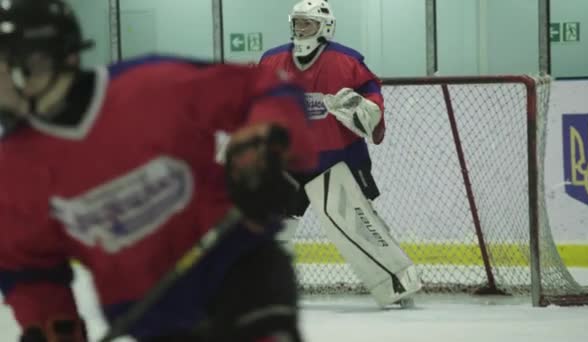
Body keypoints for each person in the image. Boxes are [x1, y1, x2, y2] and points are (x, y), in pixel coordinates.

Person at [0, 0, 317, 341]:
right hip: (152, 316)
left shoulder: (152, 86)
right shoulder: (15, 166)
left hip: (238, 269)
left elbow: (267, 85)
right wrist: (52, 325)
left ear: (45, 61)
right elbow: (29, 266)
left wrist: (268, 136)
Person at [259, 0, 421, 307]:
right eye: (297, 22)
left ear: (325, 26)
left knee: (358, 223)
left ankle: (399, 285)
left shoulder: (347, 61)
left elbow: (372, 96)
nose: (300, 28)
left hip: (338, 159)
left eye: (307, 23)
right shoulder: (272, 60)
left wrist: (366, 110)